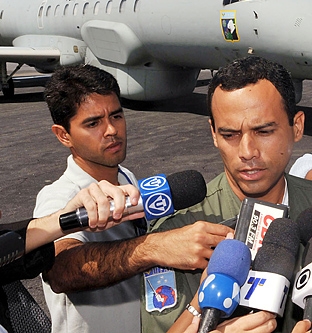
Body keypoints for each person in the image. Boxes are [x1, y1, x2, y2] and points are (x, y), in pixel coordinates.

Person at [142, 57, 312, 333]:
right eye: (230, 134)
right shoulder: (178, 232)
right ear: (213, 134)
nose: (247, 152)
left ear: (296, 127)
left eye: (264, 131)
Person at [33, 65, 233, 333]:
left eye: (116, 116)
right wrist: (155, 247)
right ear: (63, 135)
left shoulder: (126, 178)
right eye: (93, 123)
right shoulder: (60, 196)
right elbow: (60, 270)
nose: (111, 130)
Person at [0, 183, 143, 333]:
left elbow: (14, 241)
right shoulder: (57, 193)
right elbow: (61, 270)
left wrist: (71, 217)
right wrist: (153, 249)